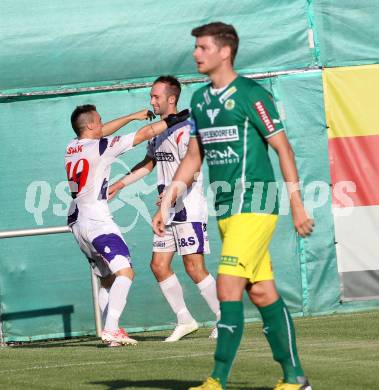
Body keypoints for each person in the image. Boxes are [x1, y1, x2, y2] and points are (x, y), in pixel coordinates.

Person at [152, 22, 314, 390]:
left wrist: (298, 205)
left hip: (256, 205)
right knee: (261, 292)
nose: (196, 54)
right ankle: (295, 378)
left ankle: (216, 379)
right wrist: (166, 203)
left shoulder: (251, 94)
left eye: (203, 47)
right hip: (226, 210)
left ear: (225, 52)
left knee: (228, 287)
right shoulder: (201, 101)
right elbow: (193, 157)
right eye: (195, 47)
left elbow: (283, 148)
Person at [65, 104, 189, 346]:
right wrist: (172, 120)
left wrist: (132, 115)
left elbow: (100, 132)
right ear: (90, 125)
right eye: (99, 121)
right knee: (125, 272)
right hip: (96, 220)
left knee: (108, 279)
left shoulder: (72, 146)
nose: (103, 124)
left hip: (77, 222)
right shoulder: (101, 148)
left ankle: (110, 333)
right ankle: (111, 329)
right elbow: (145, 134)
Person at [108, 76, 220, 342]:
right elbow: (148, 164)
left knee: (194, 267)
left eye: (156, 96)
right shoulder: (160, 131)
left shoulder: (187, 129)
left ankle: (225, 318)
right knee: (158, 265)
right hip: (166, 210)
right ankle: (185, 319)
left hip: (187, 207)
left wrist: (171, 195)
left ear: (172, 98)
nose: (151, 101)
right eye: (151, 96)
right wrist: (120, 184)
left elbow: (191, 173)